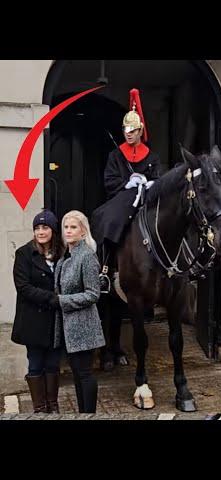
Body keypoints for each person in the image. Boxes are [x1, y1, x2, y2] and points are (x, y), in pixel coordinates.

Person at [91, 88, 161, 290]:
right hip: (124, 195)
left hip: (147, 195)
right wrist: (128, 182)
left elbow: (158, 178)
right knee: (108, 218)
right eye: (125, 131)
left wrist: (149, 183)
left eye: (132, 131)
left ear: (140, 131)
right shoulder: (115, 155)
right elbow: (109, 181)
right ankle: (105, 268)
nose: (128, 134)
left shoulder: (152, 156)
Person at [11, 210, 65, 413]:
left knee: (53, 364)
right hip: (33, 321)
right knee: (35, 364)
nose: (41, 232)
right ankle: (40, 409)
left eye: (45, 227)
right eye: (37, 228)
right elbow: (23, 287)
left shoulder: (61, 252)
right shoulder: (24, 253)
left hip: (55, 321)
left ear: (53, 230)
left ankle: (53, 405)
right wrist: (53, 299)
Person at [53, 210, 106, 413]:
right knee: (77, 374)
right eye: (66, 227)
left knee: (84, 374)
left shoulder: (87, 256)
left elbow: (93, 294)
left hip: (84, 326)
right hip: (70, 328)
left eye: (73, 227)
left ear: (83, 232)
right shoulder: (66, 256)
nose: (68, 231)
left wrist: (62, 301)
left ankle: (89, 415)